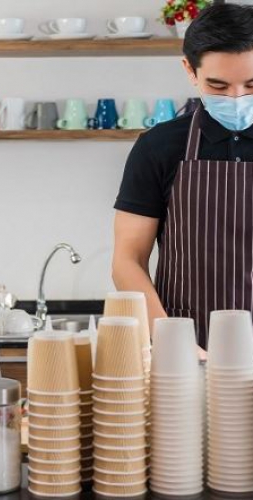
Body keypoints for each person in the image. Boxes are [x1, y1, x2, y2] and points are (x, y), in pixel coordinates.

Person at [112, 3, 253, 353]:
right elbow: (127, 260)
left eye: (252, 84)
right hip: (187, 354)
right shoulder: (158, 147)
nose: (237, 99)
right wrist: (174, 344)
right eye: (218, 86)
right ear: (190, 70)